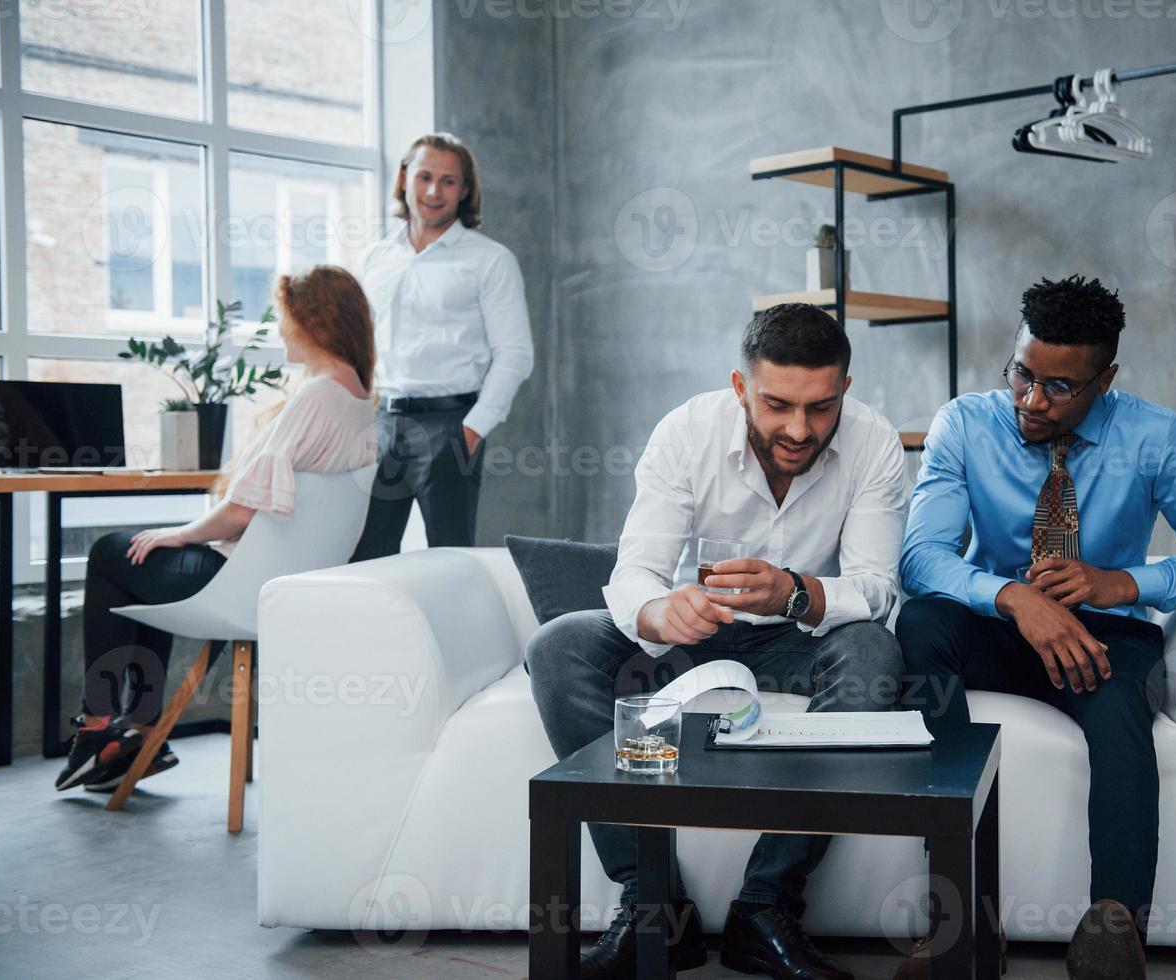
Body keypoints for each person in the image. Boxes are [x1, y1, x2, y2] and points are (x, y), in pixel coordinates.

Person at [526, 303, 908, 980]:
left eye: (820, 408)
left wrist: (795, 590)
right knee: (560, 644)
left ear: (844, 390)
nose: (799, 429)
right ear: (741, 388)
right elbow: (636, 571)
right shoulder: (687, 432)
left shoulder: (875, 443)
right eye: (777, 405)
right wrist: (659, 613)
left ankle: (765, 909)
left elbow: (875, 587)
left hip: (800, 637)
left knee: (874, 651)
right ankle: (652, 908)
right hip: (694, 637)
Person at [891, 276, 1176, 980]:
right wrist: (1013, 598)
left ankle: (1113, 929)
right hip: (994, 624)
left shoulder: (1157, 436)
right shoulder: (965, 424)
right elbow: (921, 555)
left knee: (1119, 707)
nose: (1031, 400)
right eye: (1023, 373)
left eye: (1059, 387)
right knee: (924, 622)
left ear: (1105, 379)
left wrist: (1122, 583)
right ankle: (959, 920)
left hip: (1104, 633)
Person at [55, 265, 379, 793]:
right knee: (145, 557)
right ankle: (134, 730)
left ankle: (99, 727)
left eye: (285, 319)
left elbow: (242, 511)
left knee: (113, 554)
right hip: (275, 578)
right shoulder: (360, 400)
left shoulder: (318, 395)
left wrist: (183, 533)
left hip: (237, 576)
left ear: (313, 320)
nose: (280, 332)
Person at [350, 132, 534, 560]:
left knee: (450, 560)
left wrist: (472, 430)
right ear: (403, 179)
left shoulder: (490, 260)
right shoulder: (375, 258)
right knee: (366, 556)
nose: (434, 191)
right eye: (425, 176)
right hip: (380, 425)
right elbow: (358, 346)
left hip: (450, 426)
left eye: (449, 181)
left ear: (465, 189)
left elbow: (515, 353)